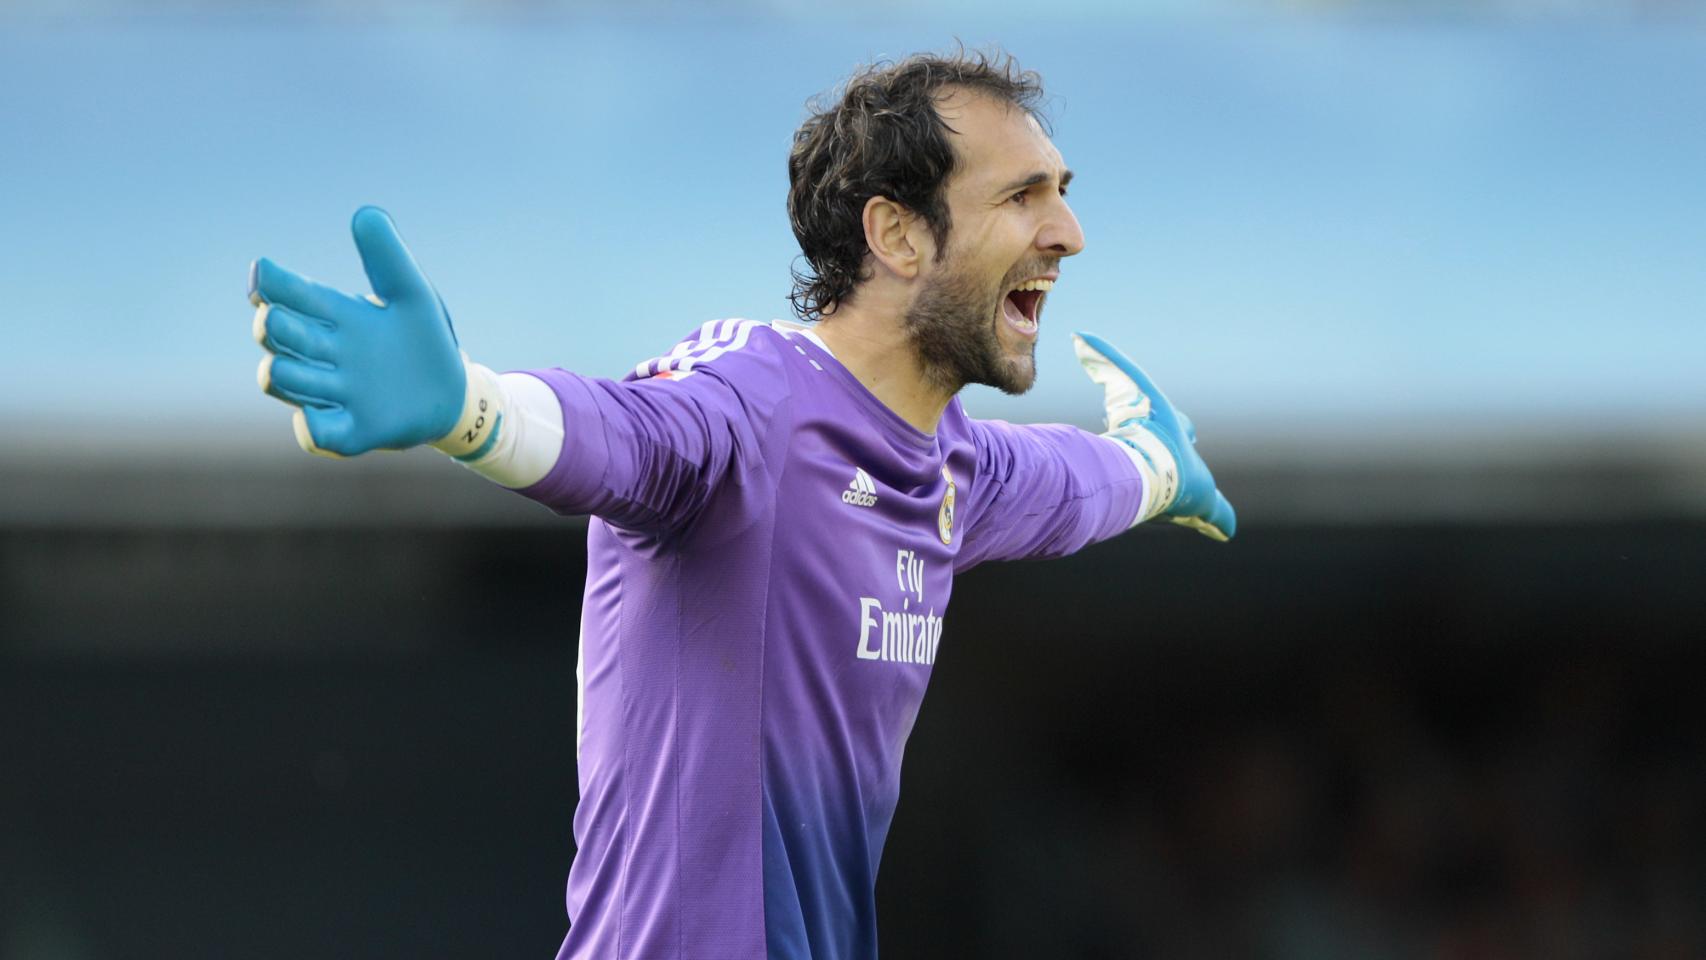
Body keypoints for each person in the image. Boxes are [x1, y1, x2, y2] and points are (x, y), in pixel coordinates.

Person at [247, 49, 1234, 960]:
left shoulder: (952, 470)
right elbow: (623, 438)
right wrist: (470, 407)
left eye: (1059, 194)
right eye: (1022, 197)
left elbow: (1072, 485)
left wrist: (1153, 458)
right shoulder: (755, 406)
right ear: (894, 232)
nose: (1066, 232)